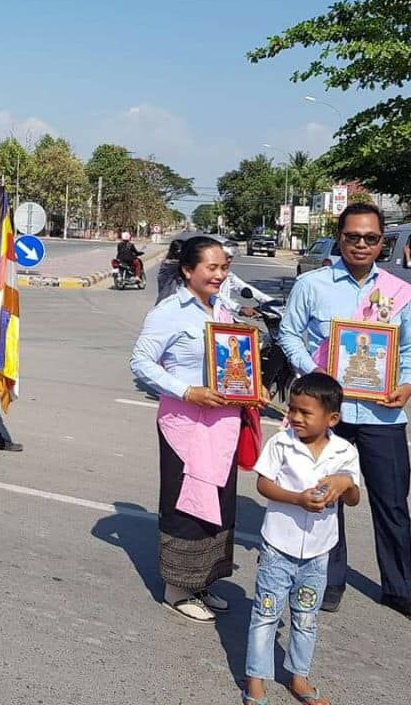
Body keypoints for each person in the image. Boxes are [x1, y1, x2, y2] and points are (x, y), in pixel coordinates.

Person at [279, 202, 411, 626]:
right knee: (328, 497)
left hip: (383, 417)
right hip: (329, 416)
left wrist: (408, 384)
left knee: (392, 502)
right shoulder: (312, 285)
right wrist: (316, 375)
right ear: (339, 237)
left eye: (370, 238)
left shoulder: (401, 293)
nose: (361, 244)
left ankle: (400, 590)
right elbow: (289, 334)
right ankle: (330, 581)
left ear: (382, 242)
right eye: (353, 236)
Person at [130, 235, 242, 623]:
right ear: (188, 270)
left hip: (222, 425)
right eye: (211, 267)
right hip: (185, 425)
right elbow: (141, 362)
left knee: (217, 503)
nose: (219, 274)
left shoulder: (223, 308)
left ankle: (203, 581)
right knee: (186, 506)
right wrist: (187, 391)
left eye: (223, 267)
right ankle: (177, 588)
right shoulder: (169, 313)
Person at [244, 373, 361, 705]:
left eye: (305, 412)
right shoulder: (281, 443)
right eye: (293, 409)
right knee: (266, 613)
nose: (295, 417)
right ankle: (255, 681)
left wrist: (344, 483)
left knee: (306, 616)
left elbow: (354, 498)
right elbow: (263, 484)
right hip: (278, 545)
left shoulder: (344, 452)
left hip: (318, 551)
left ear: (332, 419)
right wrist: (297, 499)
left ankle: (299, 677)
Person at [216, 252, 274, 317]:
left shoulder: (228, 275)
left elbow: (241, 286)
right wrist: (239, 308)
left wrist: (272, 302)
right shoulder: (208, 275)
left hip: (223, 316)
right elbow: (215, 295)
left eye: (230, 257)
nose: (229, 260)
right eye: (226, 257)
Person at [155, 238, 184, 303]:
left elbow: (161, 282)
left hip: (162, 300)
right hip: (177, 301)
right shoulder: (184, 266)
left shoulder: (165, 264)